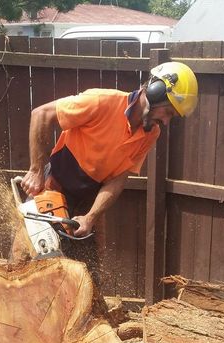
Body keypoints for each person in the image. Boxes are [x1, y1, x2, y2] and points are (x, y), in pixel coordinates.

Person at [17, 61, 198, 271]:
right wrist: (36, 170)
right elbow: (42, 114)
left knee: (89, 271)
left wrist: (90, 217)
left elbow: (118, 179)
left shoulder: (151, 134)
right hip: (55, 183)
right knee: (24, 259)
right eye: (167, 112)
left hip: (90, 199)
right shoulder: (103, 101)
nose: (166, 122)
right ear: (156, 91)